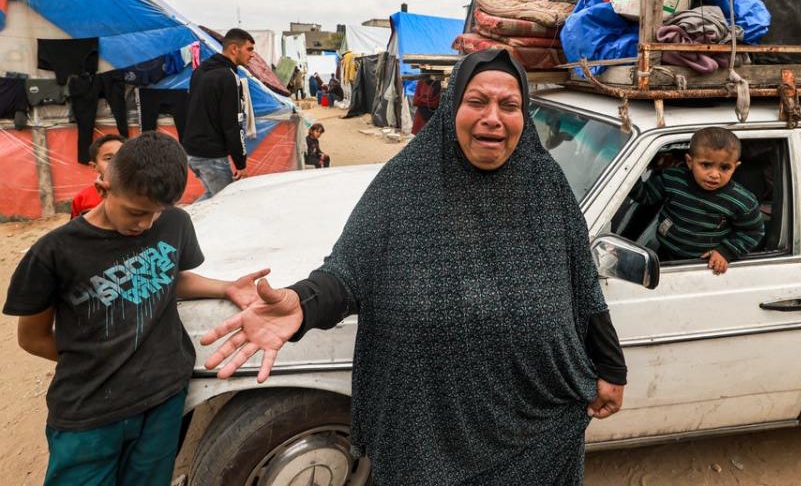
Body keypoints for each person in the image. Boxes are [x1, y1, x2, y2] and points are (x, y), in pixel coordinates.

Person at [201, 48, 626, 485]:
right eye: (477, 101)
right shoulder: (407, 183)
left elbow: (582, 287)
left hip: (536, 429)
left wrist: (611, 368)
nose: (493, 118)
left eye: (510, 105)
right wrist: (303, 303)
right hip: (426, 435)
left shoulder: (547, 186)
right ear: (452, 106)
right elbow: (348, 272)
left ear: (524, 113)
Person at [3, 132, 269, 486]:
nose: (145, 224)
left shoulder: (175, 223)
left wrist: (225, 287)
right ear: (103, 187)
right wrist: (97, 361)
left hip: (164, 397)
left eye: (157, 213)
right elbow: (32, 338)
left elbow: (169, 276)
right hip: (90, 411)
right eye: (135, 212)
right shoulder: (54, 252)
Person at [629, 127, 764, 274]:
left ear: (735, 167)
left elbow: (753, 231)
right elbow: (646, 196)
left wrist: (726, 251)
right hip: (664, 253)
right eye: (706, 165)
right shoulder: (672, 179)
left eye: (724, 167)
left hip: (704, 265)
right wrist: (628, 175)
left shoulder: (742, 201)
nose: (714, 174)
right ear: (689, 162)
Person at [181, 28, 254, 201]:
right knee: (226, 202)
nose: (252, 55)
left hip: (191, 150)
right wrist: (240, 162)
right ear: (234, 49)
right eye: (249, 49)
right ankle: (182, 226)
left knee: (212, 197)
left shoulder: (200, 71)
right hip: (210, 155)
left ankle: (185, 224)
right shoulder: (228, 77)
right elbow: (233, 124)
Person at [70, 133, 126, 218]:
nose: (117, 162)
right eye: (109, 158)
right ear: (94, 166)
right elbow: (77, 229)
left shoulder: (143, 192)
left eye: (122, 156)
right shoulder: (82, 199)